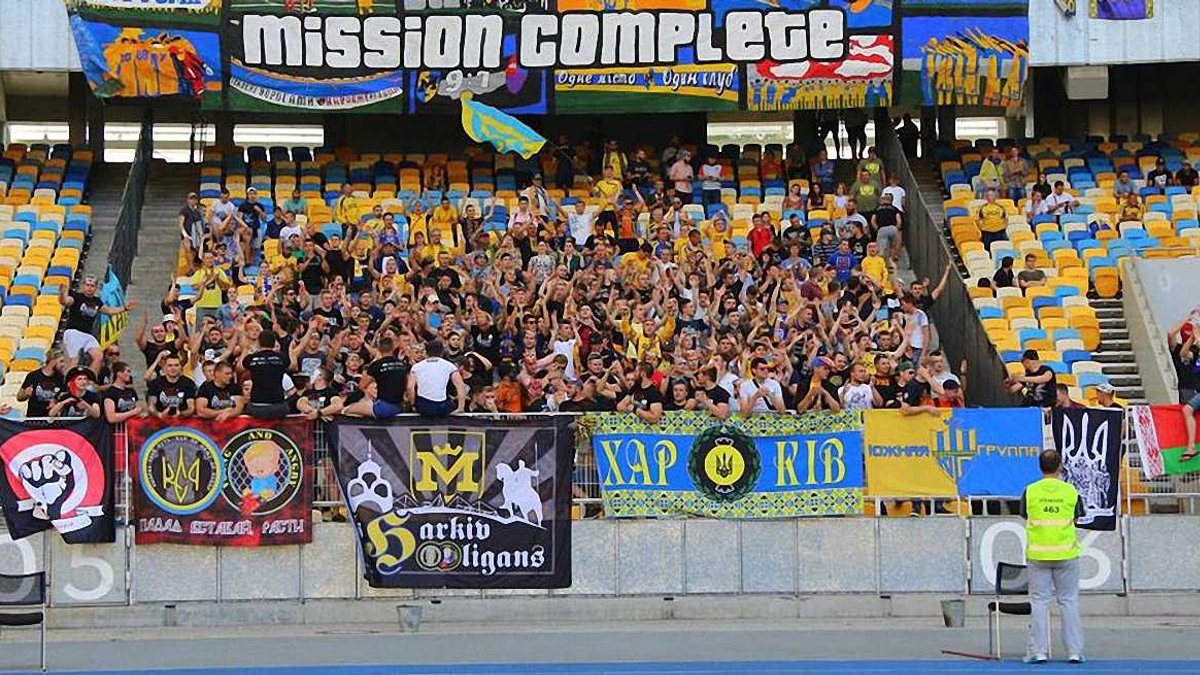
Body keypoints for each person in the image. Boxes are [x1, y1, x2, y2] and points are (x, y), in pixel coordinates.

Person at [1021, 449, 1086, 664]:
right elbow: (1078, 516)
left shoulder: (1030, 491)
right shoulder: (1071, 491)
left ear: (1040, 466)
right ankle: (1074, 651)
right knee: (1069, 601)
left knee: (1039, 602)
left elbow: (1024, 514)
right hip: (1066, 553)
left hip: (1038, 554)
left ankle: (1038, 651)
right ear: (1060, 467)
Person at [61, 275, 134, 374]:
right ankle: (68, 381)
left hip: (87, 334)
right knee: (75, 360)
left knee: (98, 356)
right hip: (73, 332)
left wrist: (124, 308)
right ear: (83, 286)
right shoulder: (76, 297)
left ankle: (91, 378)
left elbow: (109, 311)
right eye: (87, 285)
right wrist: (62, 294)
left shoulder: (97, 301)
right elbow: (65, 301)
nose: (89, 288)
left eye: (92, 286)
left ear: (95, 288)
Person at [406, 339, 467, 417]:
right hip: (441, 407)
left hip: (423, 407)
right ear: (442, 351)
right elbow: (461, 386)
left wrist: (413, 405)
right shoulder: (450, 366)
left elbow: (410, 387)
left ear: (426, 351)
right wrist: (460, 408)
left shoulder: (416, 367)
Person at [18, 349, 65, 418]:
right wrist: (25, 394)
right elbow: (19, 397)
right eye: (61, 361)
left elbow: (63, 398)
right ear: (52, 361)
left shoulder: (61, 378)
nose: (63, 364)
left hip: (52, 419)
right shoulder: (33, 376)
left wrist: (56, 403)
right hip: (33, 419)